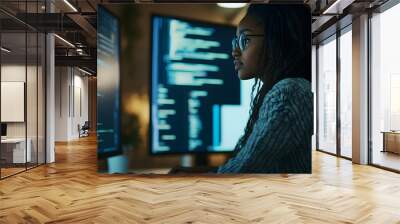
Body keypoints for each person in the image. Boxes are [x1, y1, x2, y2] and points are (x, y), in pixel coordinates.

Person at [170, 4, 313, 174]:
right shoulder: (291, 89)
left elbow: (243, 170)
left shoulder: (288, 93)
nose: (234, 52)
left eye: (245, 40)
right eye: (235, 41)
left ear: (275, 40)